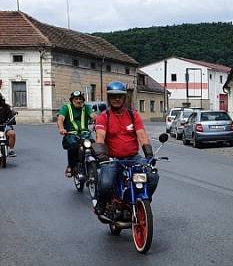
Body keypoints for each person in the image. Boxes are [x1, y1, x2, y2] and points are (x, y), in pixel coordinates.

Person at [93, 81, 158, 213]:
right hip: (113, 159)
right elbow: (100, 136)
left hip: (134, 157)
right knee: (106, 183)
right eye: (113, 96)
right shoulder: (103, 117)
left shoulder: (133, 115)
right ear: (109, 98)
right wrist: (102, 155)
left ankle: (142, 200)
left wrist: (149, 154)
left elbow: (142, 135)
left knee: (152, 176)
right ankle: (101, 204)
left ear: (124, 98)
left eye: (120, 96)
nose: (116, 99)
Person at [57, 90, 96, 177]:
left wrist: (98, 123)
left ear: (83, 100)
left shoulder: (87, 107)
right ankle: (70, 166)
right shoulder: (66, 108)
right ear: (72, 100)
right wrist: (62, 128)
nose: (78, 101)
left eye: (80, 99)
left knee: (95, 147)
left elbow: (93, 116)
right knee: (73, 145)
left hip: (85, 134)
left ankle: (95, 168)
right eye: (76, 99)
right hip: (71, 134)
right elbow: (60, 119)